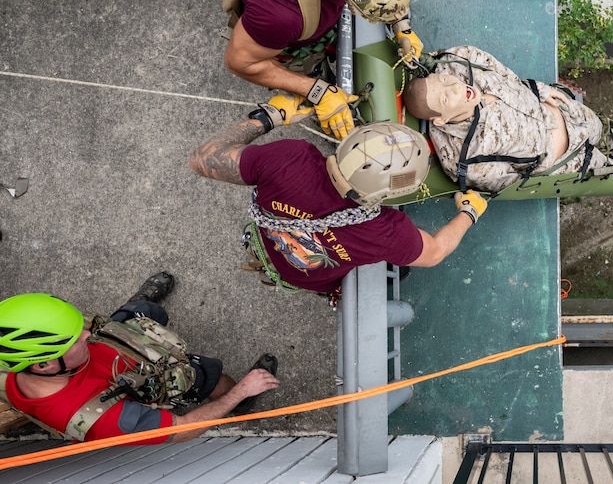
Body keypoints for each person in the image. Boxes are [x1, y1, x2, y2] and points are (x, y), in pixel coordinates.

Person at [188, 100, 487, 295]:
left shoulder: (291, 157)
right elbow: (434, 252)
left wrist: (267, 117)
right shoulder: (388, 232)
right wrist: (468, 213)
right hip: (305, 278)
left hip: (266, 244)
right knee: (400, 268)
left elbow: (202, 159)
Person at [0, 273, 279, 445]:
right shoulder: (101, 420)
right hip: (151, 371)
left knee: (142, 311)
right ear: (45, 364)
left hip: (123, 340)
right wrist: (242, 390)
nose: (88, 334)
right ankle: (240, 402)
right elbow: (184, 429)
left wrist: (109, 329)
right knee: (206, 375)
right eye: (74, 338)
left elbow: (94, 332)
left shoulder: (23, 358)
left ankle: (144, 308)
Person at [223, 0, 420, 141]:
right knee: (309, 75)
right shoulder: (281, 12)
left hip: (313, 17)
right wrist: (317, 91)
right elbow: (238, 62)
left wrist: (400, 24)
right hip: (288, 34)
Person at [401, 45, 613, 194]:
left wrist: (541, 90)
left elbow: (503, 72)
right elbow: (509, 183)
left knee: (598, 126)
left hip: (561, 111)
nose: (456, 87)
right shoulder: (464, 157)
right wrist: (550, 165)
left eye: (445, 81)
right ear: (441, 119)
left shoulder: (459, 62)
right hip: (564, 160)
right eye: (446, 98)